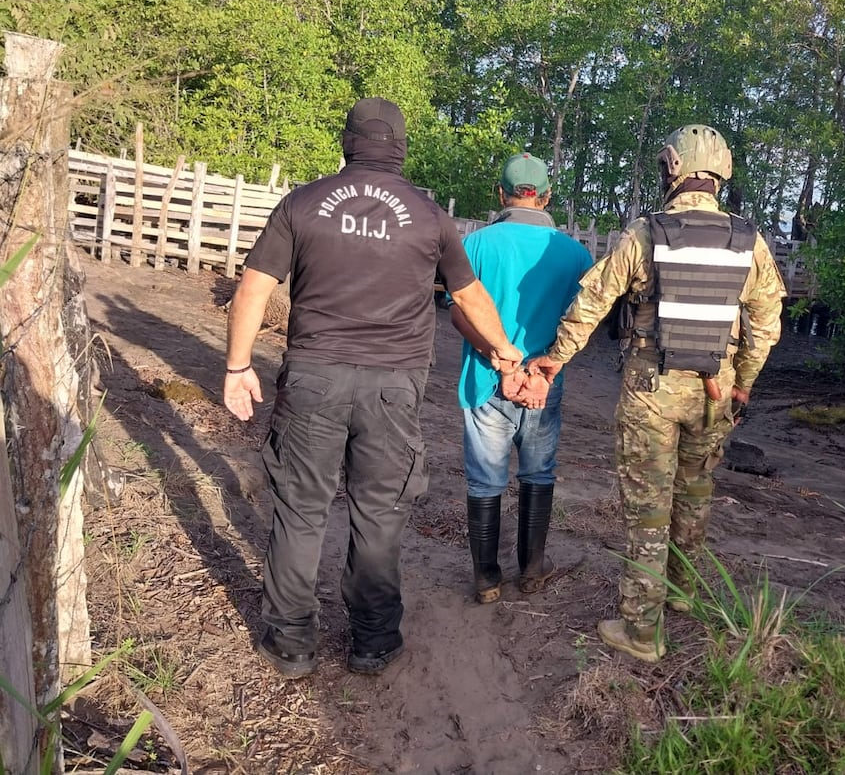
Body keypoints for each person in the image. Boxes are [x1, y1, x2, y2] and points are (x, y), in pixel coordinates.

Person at [223, 97, 521, 679]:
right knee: (380, 513)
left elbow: (253, 287)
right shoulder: (430, 218)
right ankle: (374, 641)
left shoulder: (303, 204)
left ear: (348, 142)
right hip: (394, 386)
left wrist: (238, 366)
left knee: (300, 508)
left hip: (314, 378)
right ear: (401, 148)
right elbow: (468, 296)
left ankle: (291, 642)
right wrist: (505, 351)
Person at [528, 124, 785, 662]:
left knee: (649, 507)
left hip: (651, 389)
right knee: (695, 492)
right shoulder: (750, 241)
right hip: (715, 391)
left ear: (672, 167)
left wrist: (554, 359)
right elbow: (765, 326)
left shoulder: (647, 233)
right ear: (721, 173)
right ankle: (681, 593)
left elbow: (594, 301)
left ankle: (642, 631)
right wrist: (742, 384)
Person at [449, 152, 594, 604]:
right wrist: (539, 373)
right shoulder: (575, 254)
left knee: (484, 481)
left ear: (501, 193)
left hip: (486, 379)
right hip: (544, 385)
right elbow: (583, 323)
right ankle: (531, 570)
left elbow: (459, 314)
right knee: (538, 473)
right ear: (547, 196)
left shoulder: (475, 245)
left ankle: (487, 579)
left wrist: (499, 361)